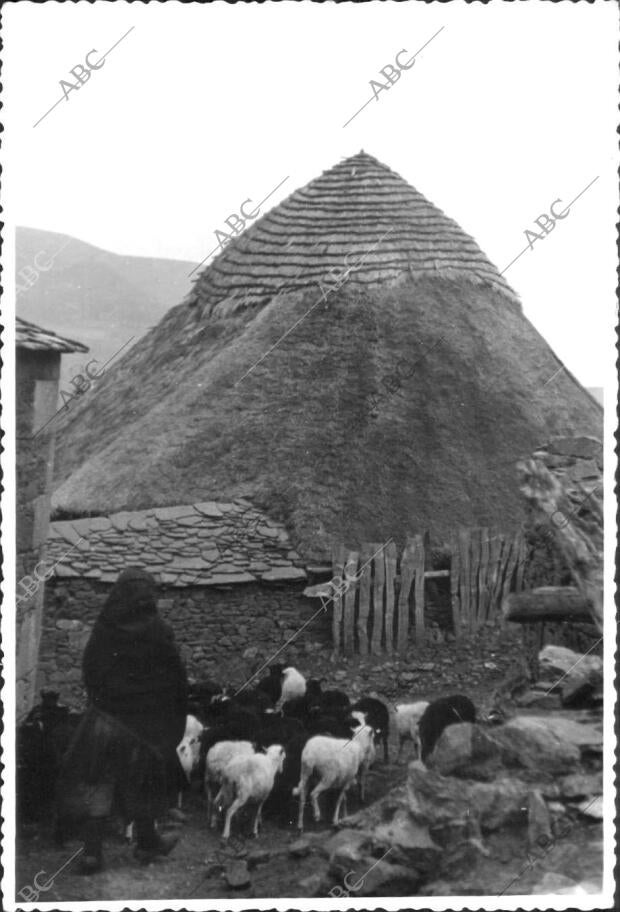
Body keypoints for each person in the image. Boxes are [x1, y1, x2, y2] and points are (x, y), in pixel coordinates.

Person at [56, 568, 188, 874]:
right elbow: (175, 680)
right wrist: (167, 720)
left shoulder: (105, 628)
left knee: (99, 782)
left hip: (104, 722)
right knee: (142, 783)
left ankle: (92, 854)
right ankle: (148, 842)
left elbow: (90, 669)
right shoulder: (159, 631)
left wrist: (102, 702)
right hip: (142, 726)